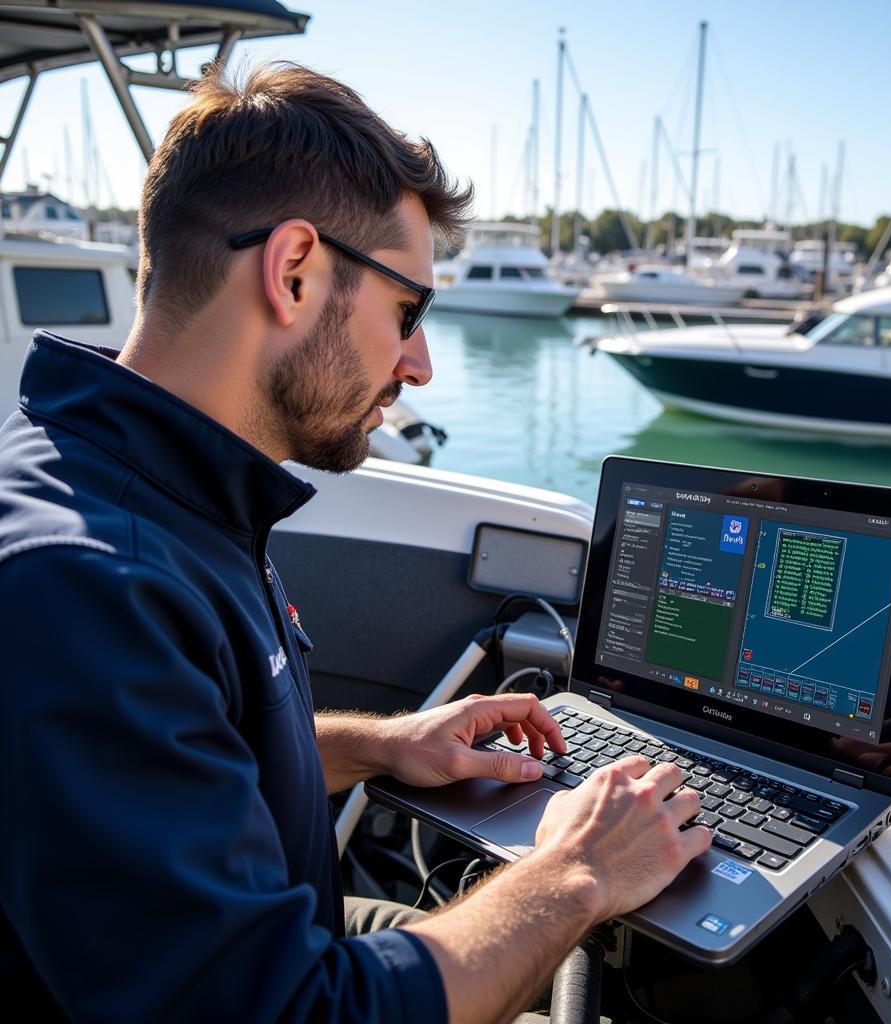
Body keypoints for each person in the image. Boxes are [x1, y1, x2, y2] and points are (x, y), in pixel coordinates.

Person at [0, 63, 711, 1023]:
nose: (417, 363)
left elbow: (196, 750)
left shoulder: (159, 489)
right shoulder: (88, 584)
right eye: (408, 312)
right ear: (294, 271)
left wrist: (383, 745)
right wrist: (579, 871)